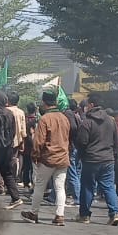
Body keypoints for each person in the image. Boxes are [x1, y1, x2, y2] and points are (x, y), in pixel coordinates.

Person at [21, 89, 71, 226]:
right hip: (63, 157)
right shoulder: (64, 118)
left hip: (48, 158)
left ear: (44, 102)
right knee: (60, 187)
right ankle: (59, 216)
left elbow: (38, 141)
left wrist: (35, 156)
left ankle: (34, 213)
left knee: (40, 186)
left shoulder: (45, 119)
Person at [74, 92, 118, 226]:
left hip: (91, 159)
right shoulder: (111, 120)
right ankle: (115, 213)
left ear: (91, 105)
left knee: (88, 188)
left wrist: (81, 155)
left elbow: (81, 142)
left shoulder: (87, 122)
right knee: (108, 187)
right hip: (107, 159)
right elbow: (115, 140)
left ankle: (84, 215)